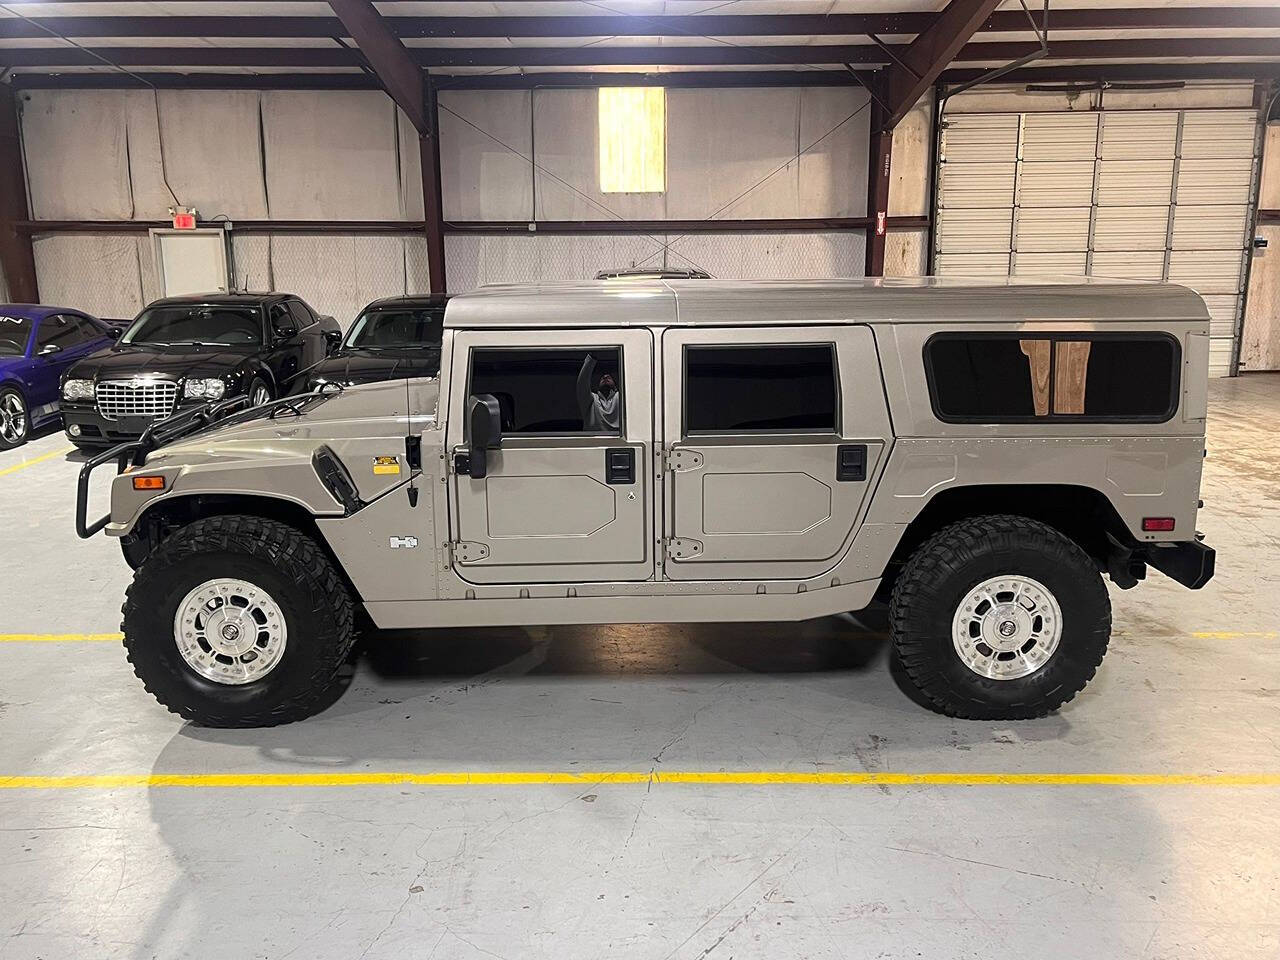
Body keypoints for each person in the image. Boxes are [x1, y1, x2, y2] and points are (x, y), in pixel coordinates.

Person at [576, 353, 621, 432]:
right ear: (598, 387)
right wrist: (592, 357)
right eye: (602, 378)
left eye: (609, 377)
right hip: (592, 442)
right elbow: (582, 384)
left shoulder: (619, 398)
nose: (605, 377)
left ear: (616, 386)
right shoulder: (592, 400)